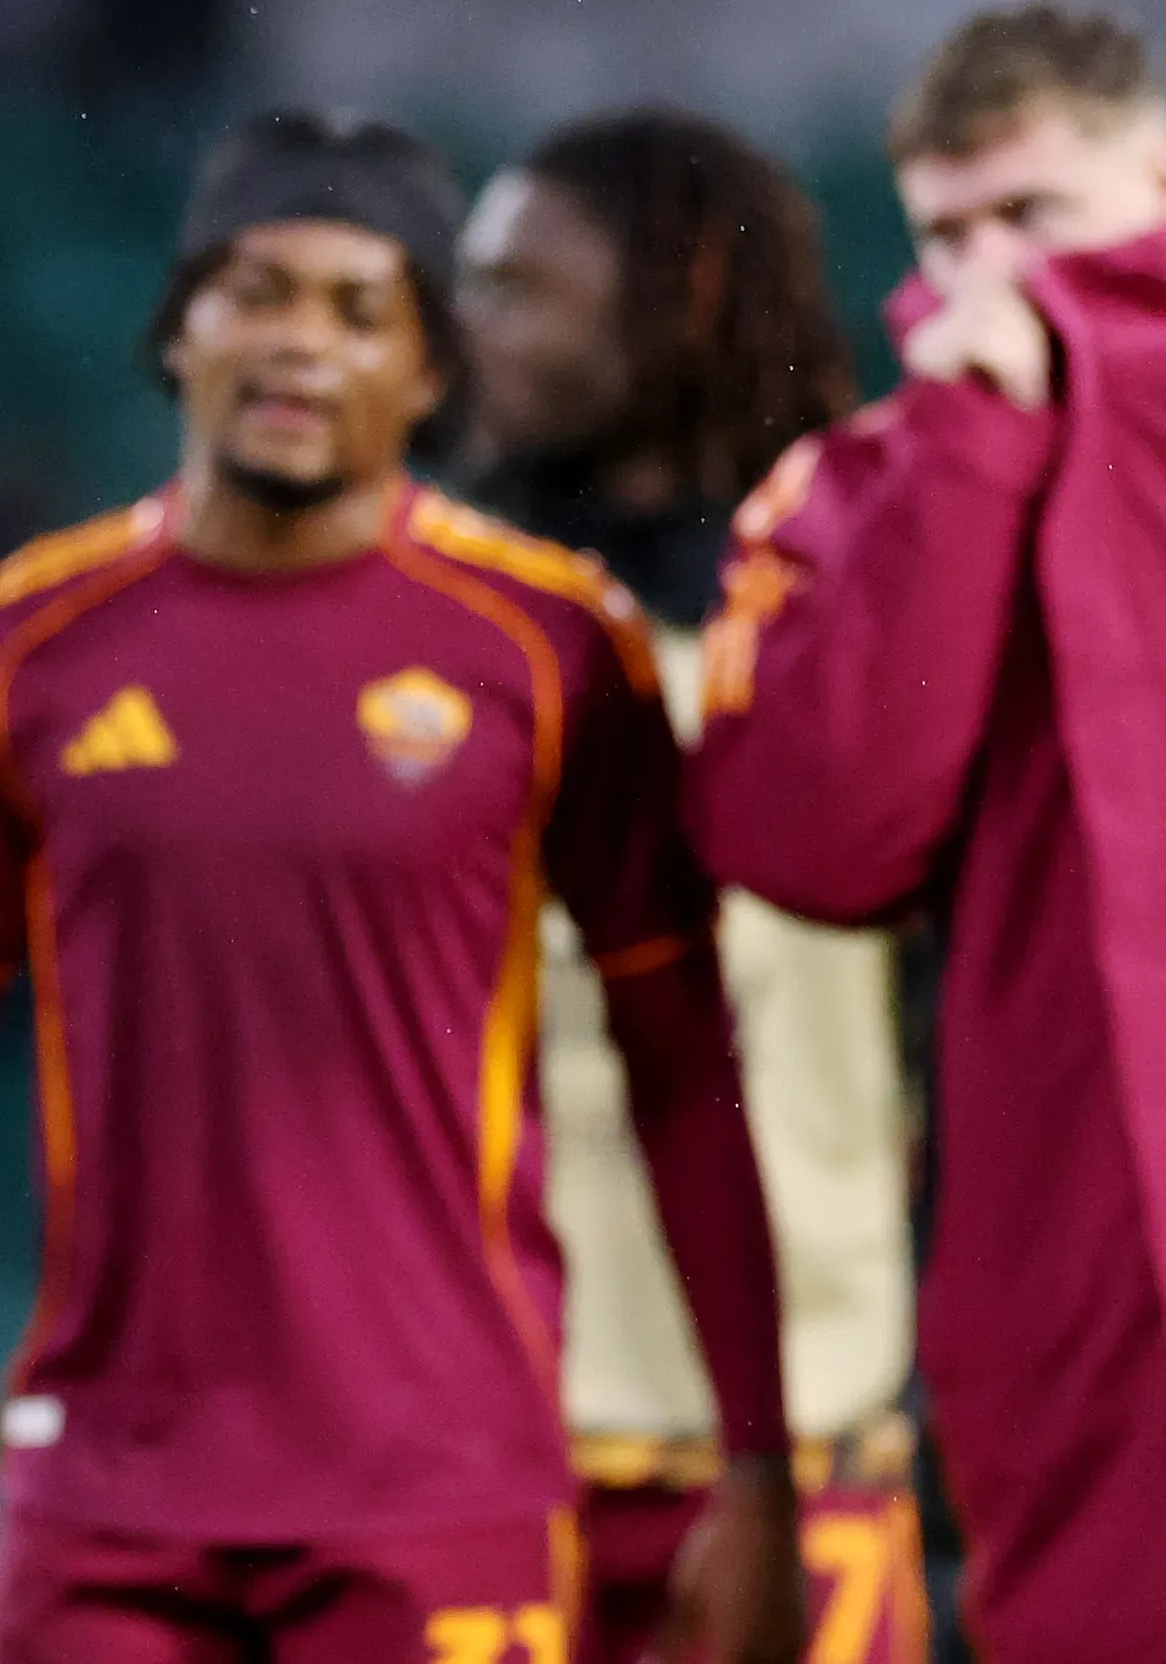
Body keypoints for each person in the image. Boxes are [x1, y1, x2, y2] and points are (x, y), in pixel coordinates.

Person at [684, 5, 1166, 1664]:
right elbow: (815, 837)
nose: (992, 276)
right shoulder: (869, 488)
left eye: (1036, 217)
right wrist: (973, 446)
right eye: (947, 235)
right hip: (1075, 1320)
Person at [0, 110, 801, 1664]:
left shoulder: (550, 645)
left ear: (430, 375)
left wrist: (755, 1469)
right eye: (258, 292)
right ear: (180, 333)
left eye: (361, 310)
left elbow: (685, 1072)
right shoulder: (37, 645)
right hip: (106, 1492)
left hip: (438, 1488)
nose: (302, 345)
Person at [456, 109, 926, 1664]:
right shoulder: (434, 625)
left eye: (522, 287)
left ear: (675, 303)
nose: (470, 328)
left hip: (809, 1440)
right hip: (478, 1441)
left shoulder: (855, 625)